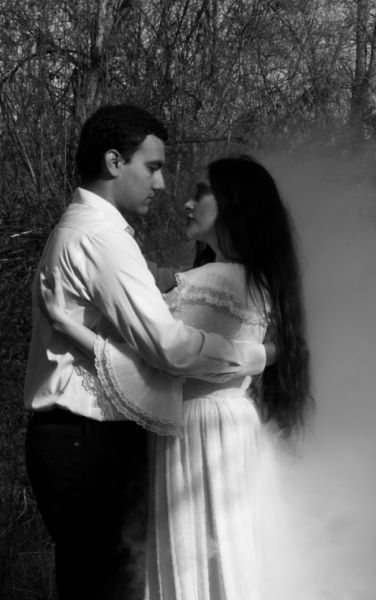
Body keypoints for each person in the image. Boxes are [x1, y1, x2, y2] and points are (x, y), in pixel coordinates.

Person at [23, 106, 275, 600]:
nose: (161, 185)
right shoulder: (100, 238)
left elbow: (157, 309)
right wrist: (258, 354)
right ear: (115, 162)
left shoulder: (97, 233)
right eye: (153, 167)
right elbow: (169, 349)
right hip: (85, 439)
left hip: (85, 439)